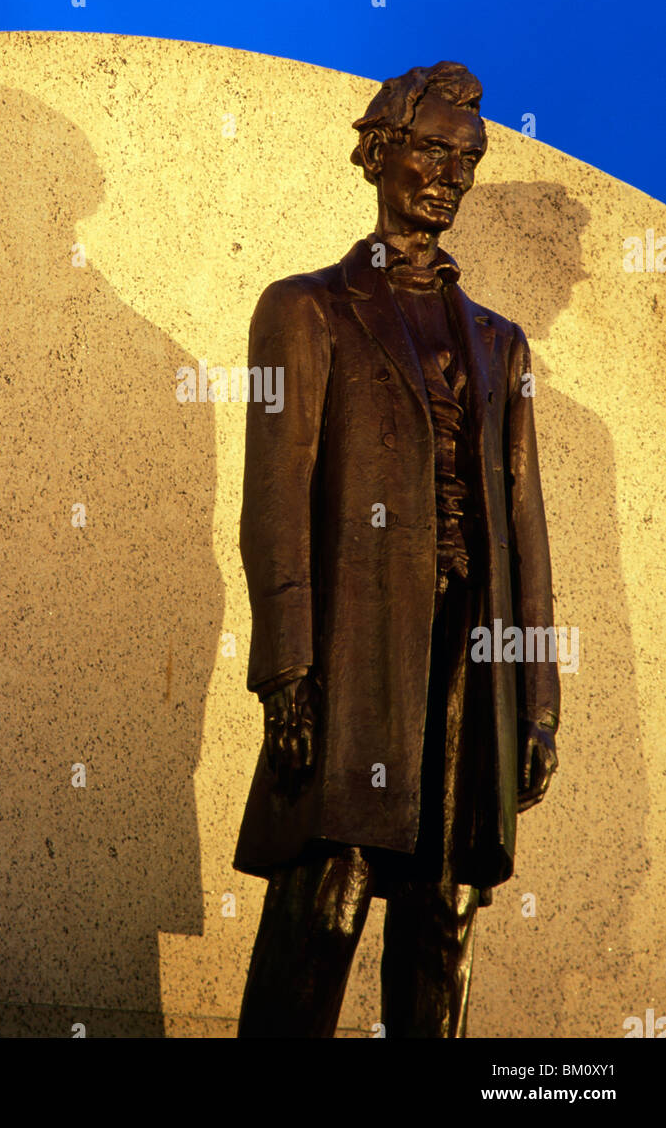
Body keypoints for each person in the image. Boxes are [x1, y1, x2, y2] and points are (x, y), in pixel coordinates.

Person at [234, 62, 560, 1038]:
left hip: (473, 663)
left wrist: (538, 701)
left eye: (467, 159)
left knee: (446, 919)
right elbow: (274, 499)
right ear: (380, 152)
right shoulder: (307, 309)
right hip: (357, 653)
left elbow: (526, 532)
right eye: (431, 150)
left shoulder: (501, 345)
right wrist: (288, 665)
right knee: (328, 902)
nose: (448, 175)